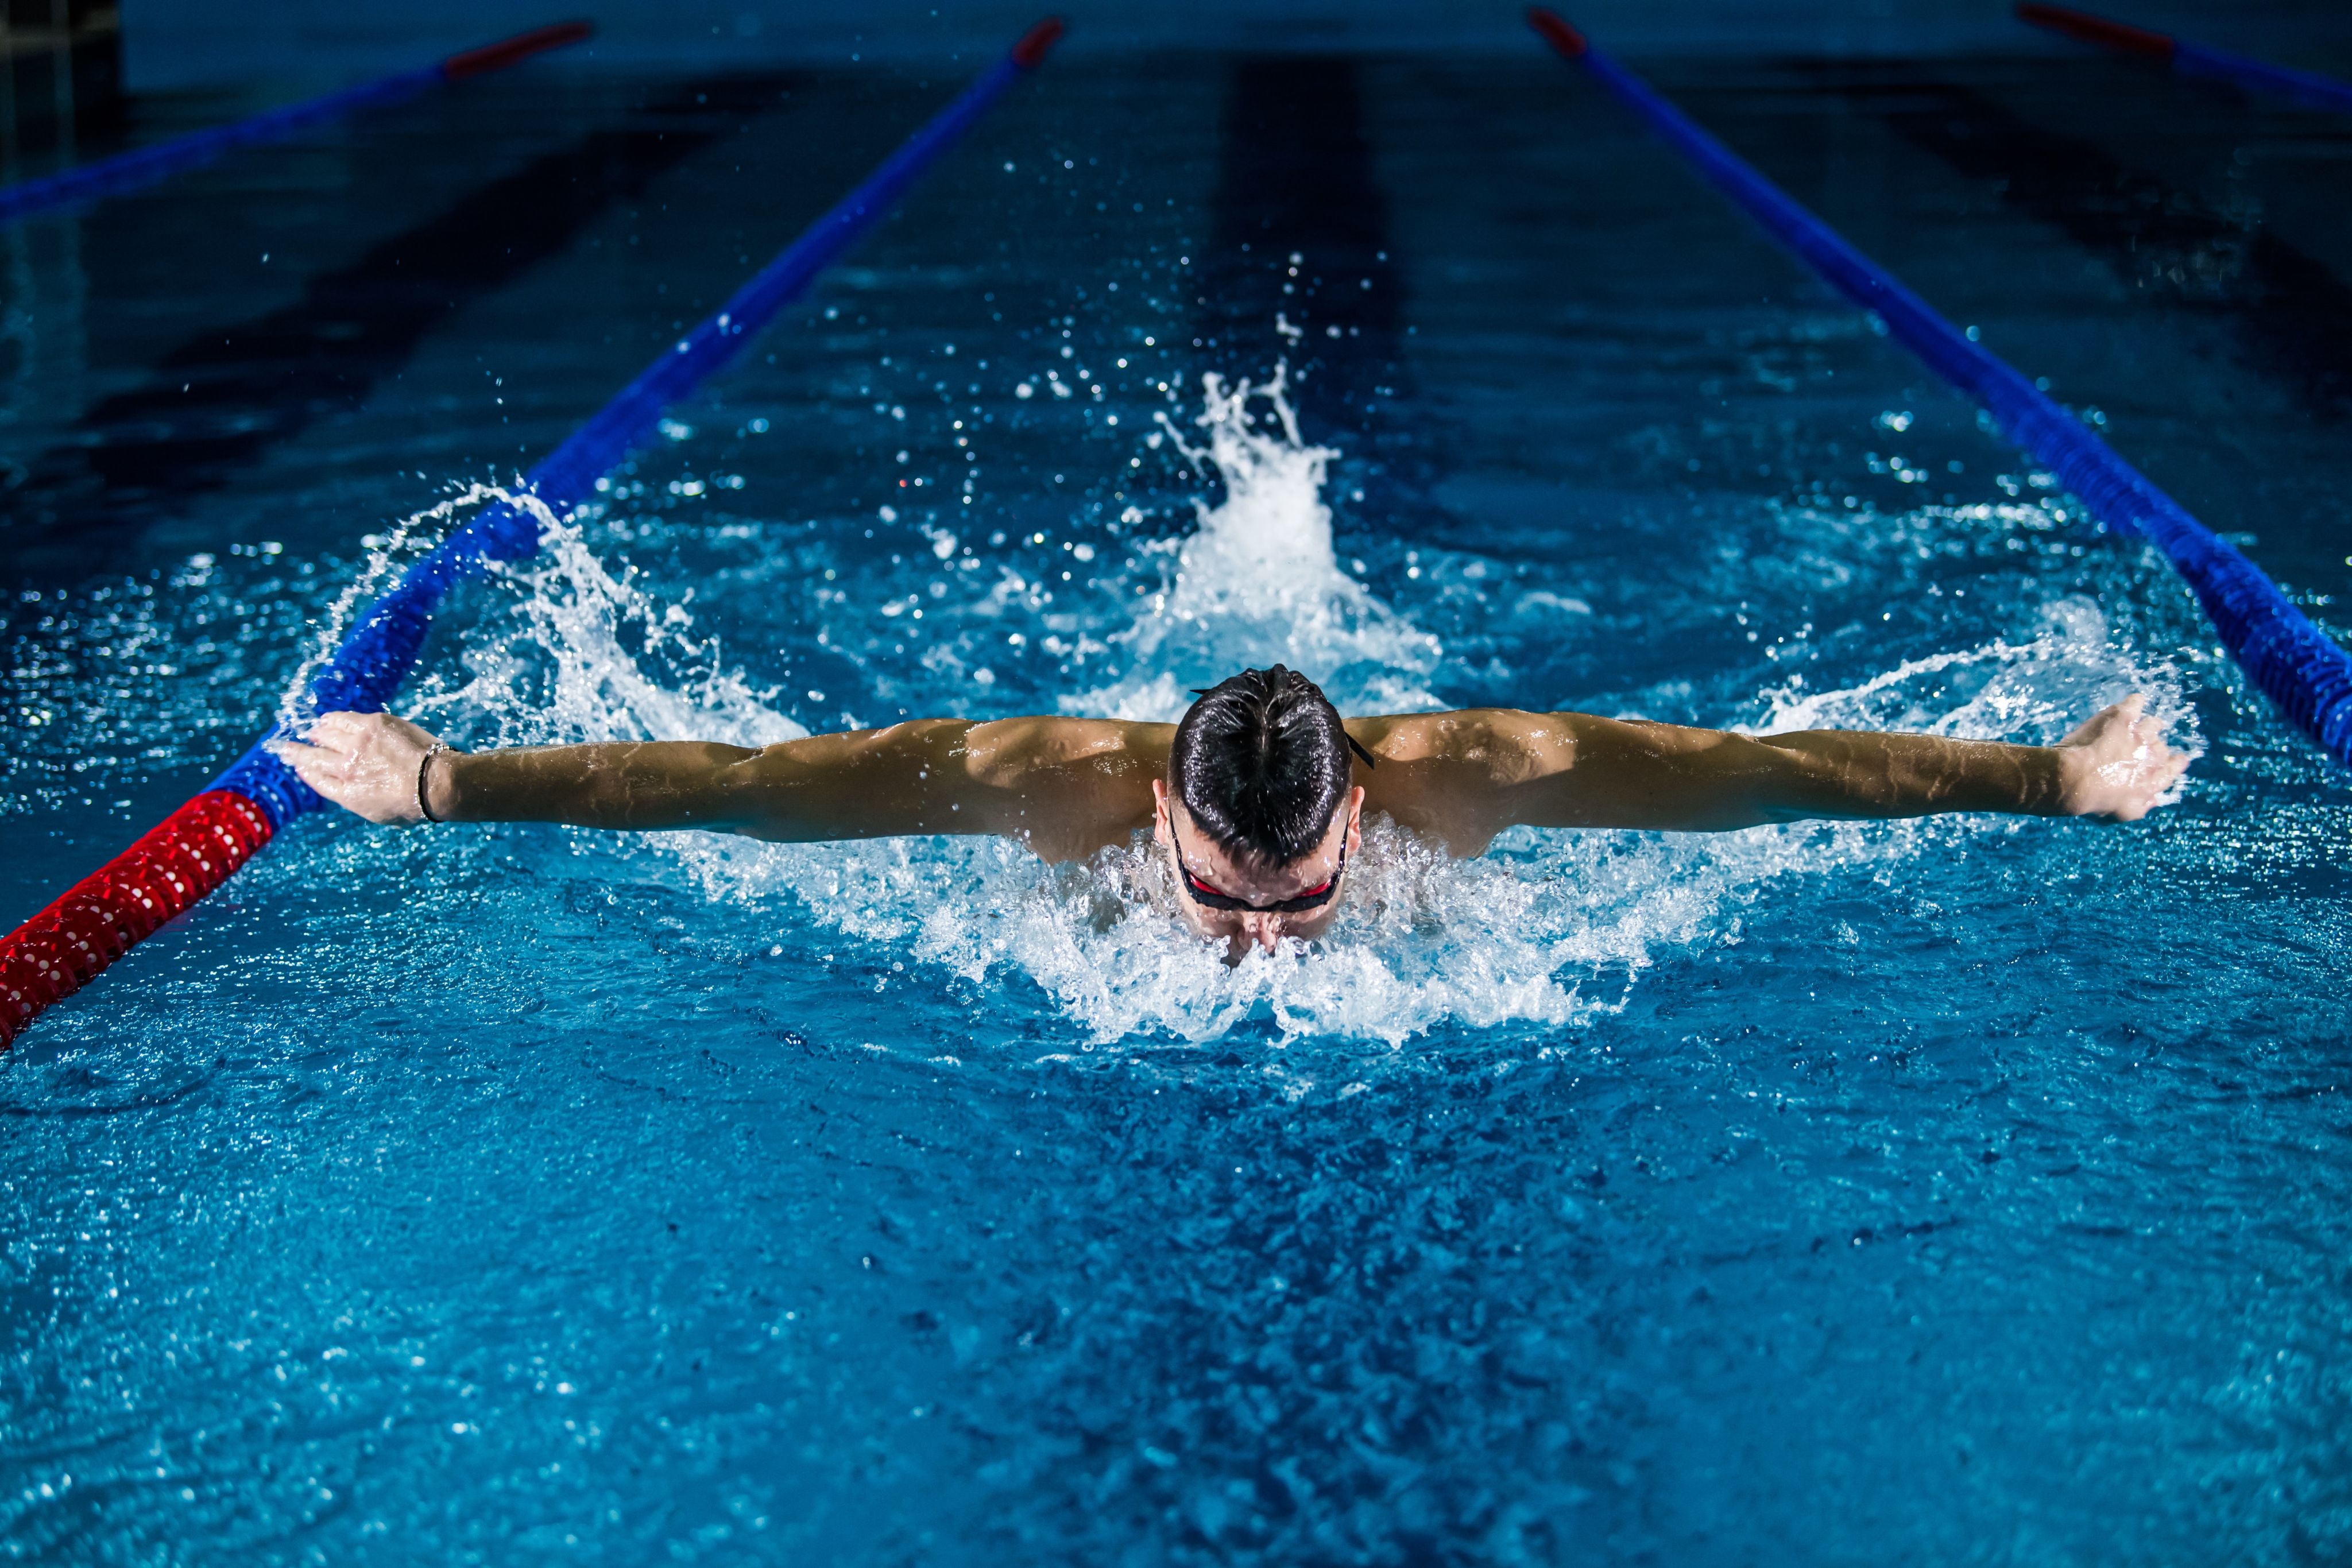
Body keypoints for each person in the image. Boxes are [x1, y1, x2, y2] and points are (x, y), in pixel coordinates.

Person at [280, 665, 2188, 957]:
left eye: (1293, 900)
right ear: (1162, 818)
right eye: (1221, 892)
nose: (1257, 943)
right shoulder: (1044, 791)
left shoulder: (1485, 775)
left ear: (1365, 801)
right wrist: (443, 781)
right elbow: (752, 792)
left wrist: (2052, 778)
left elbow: (1769, 774)